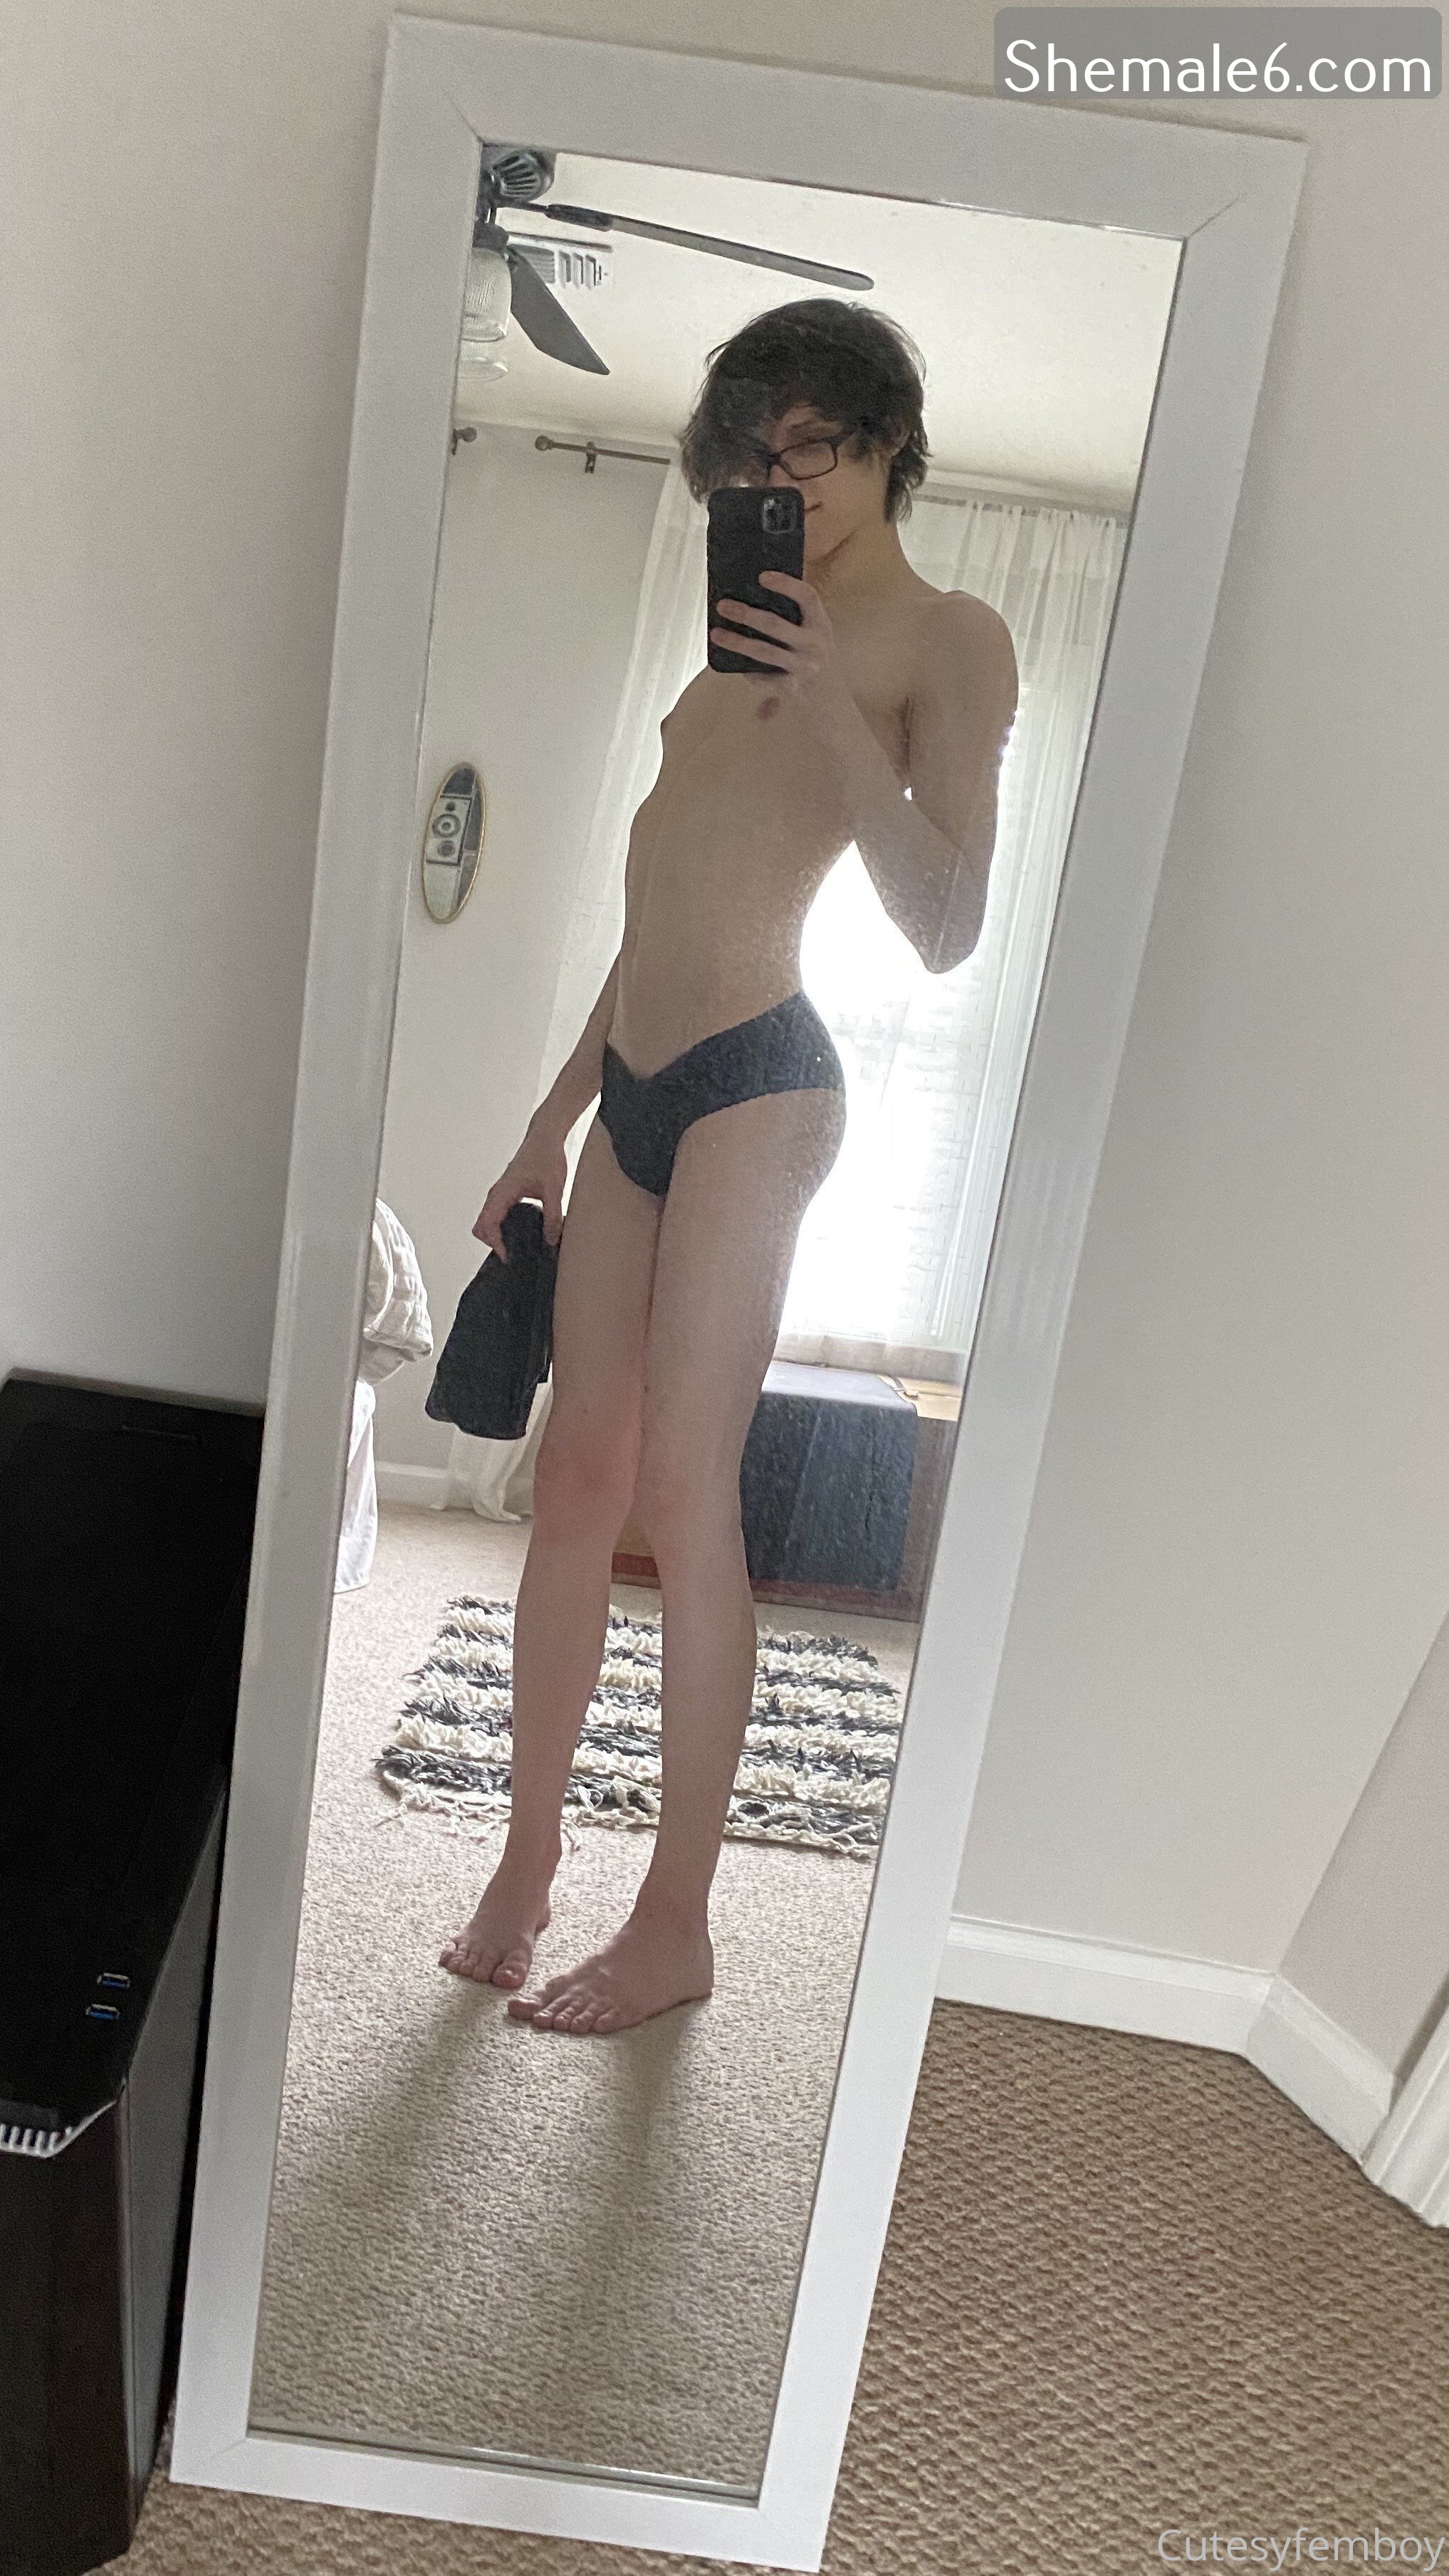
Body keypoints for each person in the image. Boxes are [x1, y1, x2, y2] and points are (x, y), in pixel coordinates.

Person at [439, 300, 1019, 2035]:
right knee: (575, 1480)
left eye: (809, 449)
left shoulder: (949, 636)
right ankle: (528, 1855)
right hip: (632, 1085)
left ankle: (675, 1919)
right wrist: (548, 1122)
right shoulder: (719, 653)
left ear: (886, 436)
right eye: (750, 460)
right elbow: (656, 912)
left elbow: (945, 921)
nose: (781, 482)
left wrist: (834, 699)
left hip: (765, 1081)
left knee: (688, 1492)